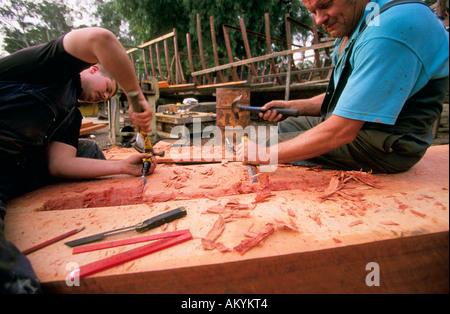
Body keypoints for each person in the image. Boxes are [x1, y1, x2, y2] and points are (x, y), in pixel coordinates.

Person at [0, 27, 156, 293]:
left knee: (89, 150)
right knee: (16, 281)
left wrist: (121, 166)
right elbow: (100, 39)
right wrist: (134, 95)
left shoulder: (71, 114)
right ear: (93, 69)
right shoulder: (51, 66)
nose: (106, 96)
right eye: (108, 88)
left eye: (110, 96)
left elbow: (60, 164)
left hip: (15, 169)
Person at [238, 0, 449, 174]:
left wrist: (265, 153)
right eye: (313, 12)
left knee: (271, 146)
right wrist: (293, 105)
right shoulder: (357, 26)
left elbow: (341, 131)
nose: (319, 19)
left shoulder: (386, 30)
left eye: (326, 5)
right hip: (366, 129)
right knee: (290, 126)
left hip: (390, 146)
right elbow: (351, 97)